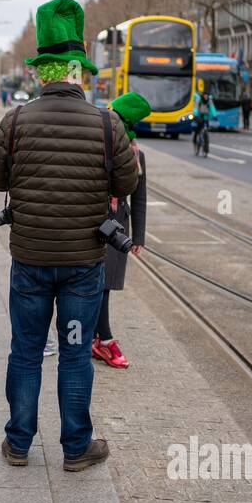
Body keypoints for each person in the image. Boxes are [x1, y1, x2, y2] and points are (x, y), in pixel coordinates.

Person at [0, 0, 139, 473]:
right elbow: (126, 184)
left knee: (26, 351)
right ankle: (76, 448)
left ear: (41, 72)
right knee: (74, 353)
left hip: (29, 260)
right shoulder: (107, 124)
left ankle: (18, 444)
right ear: (78, 71)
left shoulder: (15, 121)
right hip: (81, 266)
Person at [93, 91, 149, 369]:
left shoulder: (137, 153)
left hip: (119, 226)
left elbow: (139, 197)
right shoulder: (99, 142)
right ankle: (104, 339)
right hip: (95, 220)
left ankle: (95, 336)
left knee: (107, 283)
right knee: (99, 283)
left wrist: (138, 236)